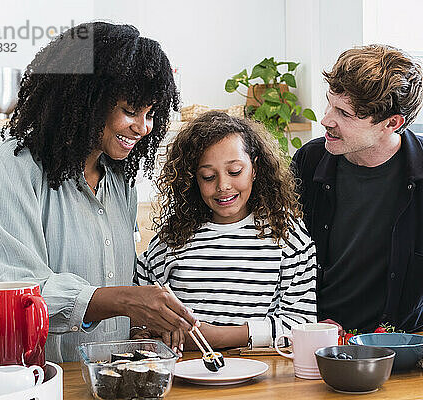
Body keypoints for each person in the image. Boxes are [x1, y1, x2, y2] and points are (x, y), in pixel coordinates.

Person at [0, 22, 197, 363]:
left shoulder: (120, 180)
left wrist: (136, 326)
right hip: (28, 378)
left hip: (104, 378)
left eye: (151, 114)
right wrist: (124, 300)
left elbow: (113, 277)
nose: (143, 127)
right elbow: (18, 292)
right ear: (87, 101)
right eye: (130, 111)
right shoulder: (14, 165)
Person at [292, 44, 423, 334]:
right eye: (329, 103)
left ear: (392, 123)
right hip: (322, 342)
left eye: (344, 113)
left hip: (410, 345)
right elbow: (285, 258)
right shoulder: (308, 160)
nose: (326, 119)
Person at [135, 111, 317, 349]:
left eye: (234, 171)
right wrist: (144, 331)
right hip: (185, 378)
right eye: (208, 176)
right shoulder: (173, 239)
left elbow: (301, 325)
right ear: (193, 179)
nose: (223, 186)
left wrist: (214, 337)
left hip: (263, 380)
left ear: (255, 168)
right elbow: (138, 310)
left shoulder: (288, 236)